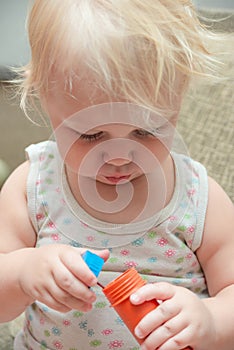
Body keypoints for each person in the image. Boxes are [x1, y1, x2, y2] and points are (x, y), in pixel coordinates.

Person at [0, 0, 233, 349]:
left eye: (147, 131)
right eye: (91, 135)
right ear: (44, 97)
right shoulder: (32, 186)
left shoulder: (199, 198)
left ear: (179, 98)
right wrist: (22, 274)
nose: (121, 158)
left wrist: (211, 322)